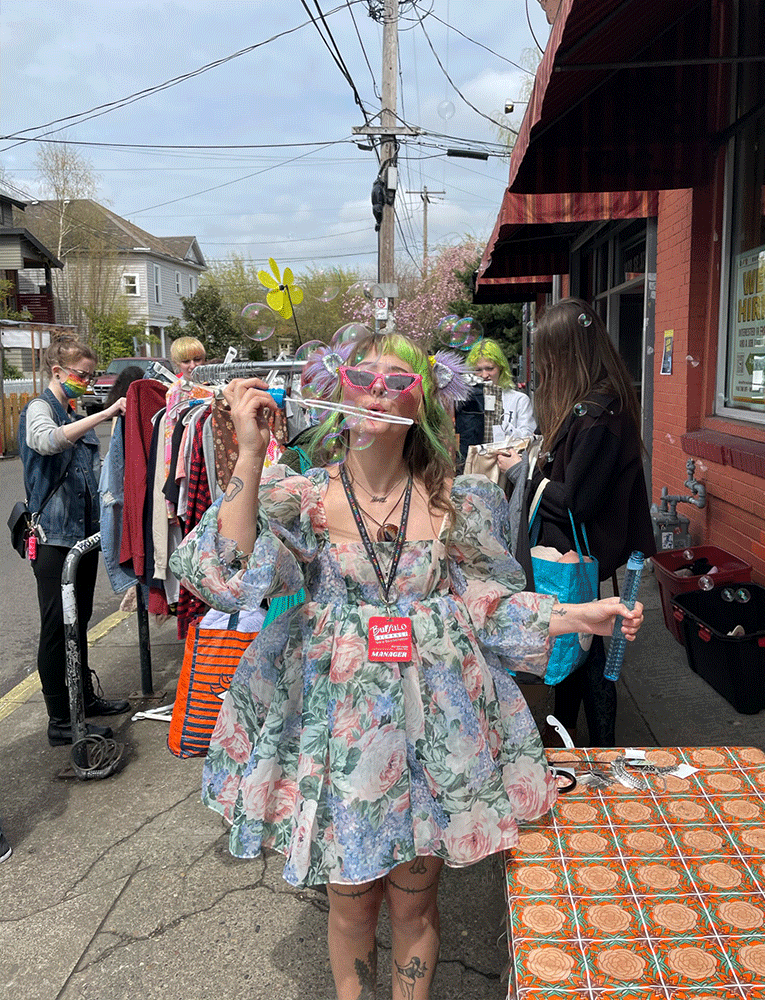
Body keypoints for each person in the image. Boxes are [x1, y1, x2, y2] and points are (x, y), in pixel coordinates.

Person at [169, 331, 643, 1000]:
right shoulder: (299, 494)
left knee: (415, 906)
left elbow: (484, 601)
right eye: (364, 374)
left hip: (432, 735)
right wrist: (249, 451)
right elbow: (222, 577)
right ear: (338, 387)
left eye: (401, 379)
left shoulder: (459, 499)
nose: (379, 389)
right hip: (339, 735)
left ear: (423, 401)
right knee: (352, 904)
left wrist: (574, 616)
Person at [498, 299, 655, 748]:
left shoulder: (601, 413)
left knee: (587, 648)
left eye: (548, 356)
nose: (544, 368)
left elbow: (576, 503)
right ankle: (570, 740)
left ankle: (595, 750)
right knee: (579, 643)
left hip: (580, 553)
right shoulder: (595, 405)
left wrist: (521, 473)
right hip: (576, 554)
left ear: (568, 353)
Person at [19, 336, 131, 746]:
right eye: (80, 374)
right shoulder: (39, 409)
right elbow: (47, 441)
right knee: (55, 627)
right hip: (53, 540)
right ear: (57, 372)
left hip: (80, 538)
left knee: (77, 622)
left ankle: (82, 700)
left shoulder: (71, 410)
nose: (86, 381)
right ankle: (60, 720)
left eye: (90, 374)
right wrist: (104, 415)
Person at [465, 337, 535, 442]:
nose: (484, 375)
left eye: (490, 368)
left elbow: (528, 436)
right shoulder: (469, 400)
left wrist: (500, 425)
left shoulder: (519, 400)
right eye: (478, 370)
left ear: (501, 368)